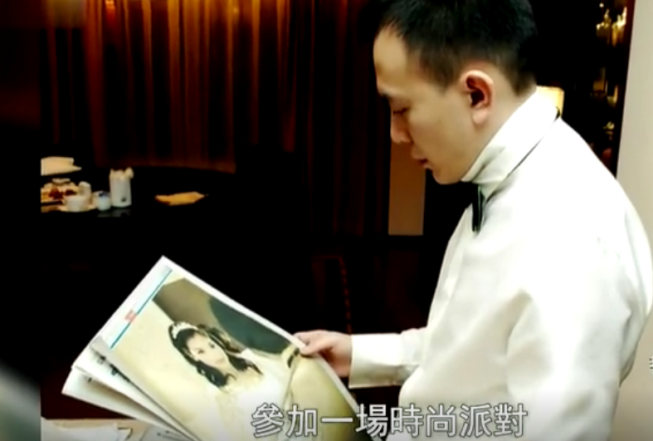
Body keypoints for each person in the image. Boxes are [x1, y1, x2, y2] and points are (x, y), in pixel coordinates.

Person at [295, 1, 653, 440]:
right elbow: (469, 345)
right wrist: (358, 354)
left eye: (400, 108)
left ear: (476, 95)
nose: (395, 134)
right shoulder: (505, 178)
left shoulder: (572, 242)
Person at [168, 322, 314, 441]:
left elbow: (287, 373)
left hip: (307, 415)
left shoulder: (250, 358)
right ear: (192, 357)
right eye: (201, 351)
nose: (214, 353)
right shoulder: (218, 393)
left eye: (211, 345)